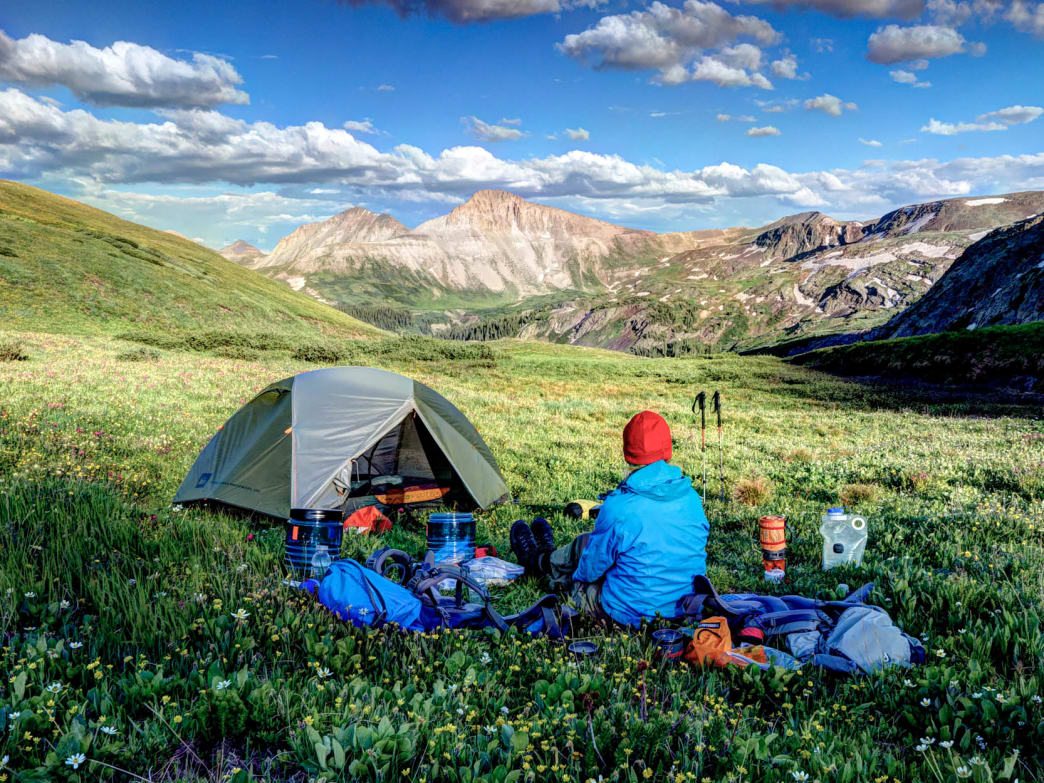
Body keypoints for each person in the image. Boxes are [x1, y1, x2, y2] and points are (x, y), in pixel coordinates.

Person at [510, 410, 709, 627]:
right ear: (667, 450)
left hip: (630, 615)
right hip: (686, 609)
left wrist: (578, 577)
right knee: (588, 542)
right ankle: (546, 558)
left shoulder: (619, 507)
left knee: (577, 580)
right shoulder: (692, 498)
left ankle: (541, 566)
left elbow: (589, 570)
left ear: (628, 454)